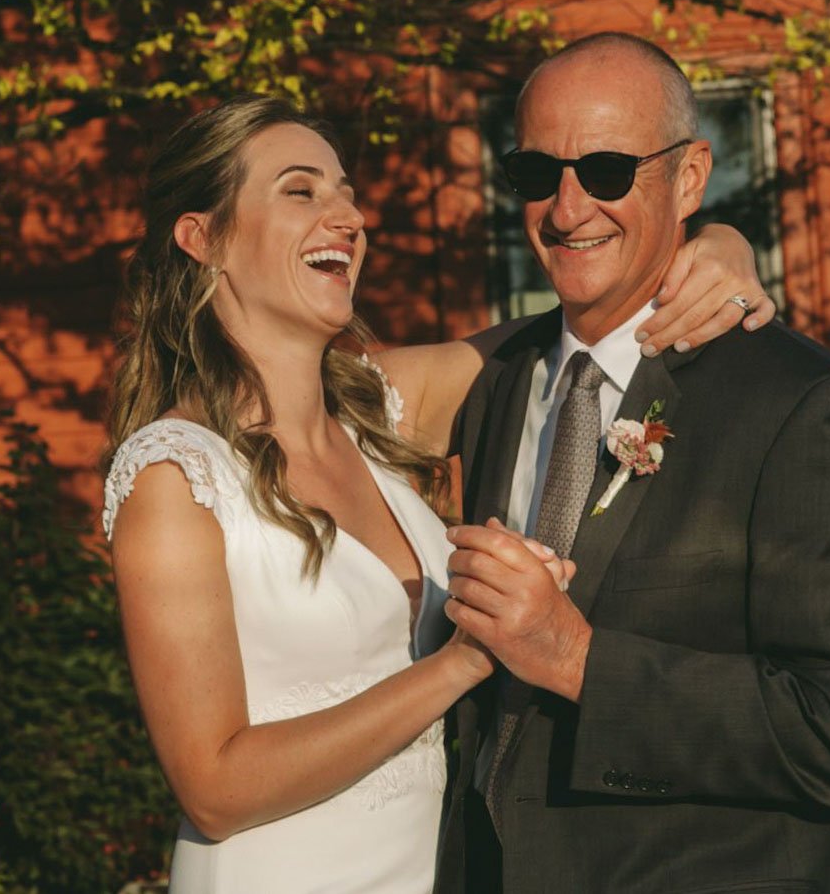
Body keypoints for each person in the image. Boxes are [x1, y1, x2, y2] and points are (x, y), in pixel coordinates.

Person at [102, 94, 773, 893]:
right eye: (301, 190)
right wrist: (465, 662)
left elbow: (581, 324)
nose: (347, 215)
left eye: (345, 191)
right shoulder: (176, 478)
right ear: (201, 236)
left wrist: (717, 245)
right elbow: (212, 788)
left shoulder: (376, 413)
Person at [433, 33, 830, 893]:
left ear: (692, 177)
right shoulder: (491, 387)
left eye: (608, 170)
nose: (566, 206)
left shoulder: (799, 407)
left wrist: (579, 657)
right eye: (534, 173)